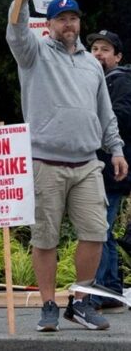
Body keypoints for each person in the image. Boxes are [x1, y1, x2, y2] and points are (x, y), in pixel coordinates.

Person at [6, 0, 128, 332]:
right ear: (49, 24)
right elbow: (16, 32)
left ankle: (80, 302)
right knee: (45, 237)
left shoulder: (92, 64)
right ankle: (47, 305)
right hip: (45, 161)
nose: (69, 24)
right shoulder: (34, 53)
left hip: (88, 162)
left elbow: (105, 113)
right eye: (61, 19)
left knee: (95, 233)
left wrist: (116, 149)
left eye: (73, 18)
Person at [87, 30, 131, 312]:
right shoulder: (97, 82)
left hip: (114, 169)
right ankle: (111, 289)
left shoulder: (121, 81)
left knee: (98, 228)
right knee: (102, 229)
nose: (98, 54)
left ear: (118, 56)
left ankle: (102, 290)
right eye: (94, 49)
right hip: (103, 168)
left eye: (105, 49)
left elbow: (123, 117)